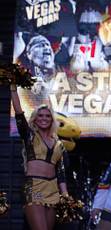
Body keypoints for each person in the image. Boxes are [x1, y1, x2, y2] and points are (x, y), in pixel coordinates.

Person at [10, 84, 69, 230]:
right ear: (35, 119)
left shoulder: (59, 144)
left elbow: (60, 172)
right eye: (40, 116)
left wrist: (65, 195)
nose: (44, 118)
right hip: (34, 186)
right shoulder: (29, 136)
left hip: (53, 190)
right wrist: (12, 88)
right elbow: (18, 112)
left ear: (52, 119)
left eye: (48, 116)